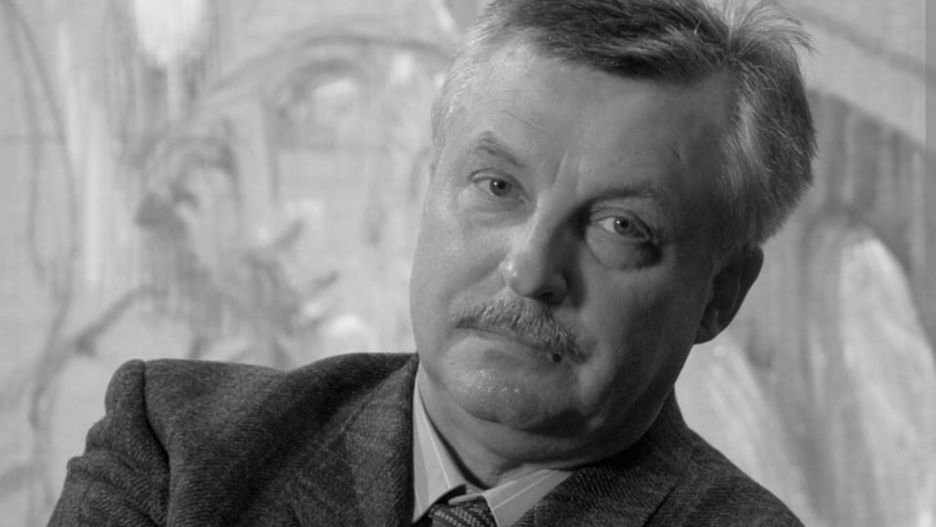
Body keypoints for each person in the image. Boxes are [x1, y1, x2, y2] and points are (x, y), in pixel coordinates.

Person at [48, 0, 815, 525]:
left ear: (721, 295)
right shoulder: (177, 449)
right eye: (497, 186)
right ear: (430, 183)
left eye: (620, 226)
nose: (529, 270)